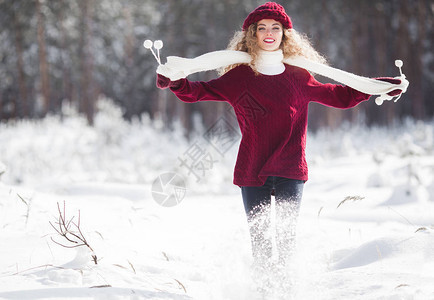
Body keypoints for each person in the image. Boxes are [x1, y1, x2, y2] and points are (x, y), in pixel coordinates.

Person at [153, 1, 405, 293]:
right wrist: (174, 81)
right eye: (262, 28)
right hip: (252, 170)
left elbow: (339, 95)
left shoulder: (299, 77)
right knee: (259, 241)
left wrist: (377, 87)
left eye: (276, 28)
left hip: (290, 169)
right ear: (252, 35)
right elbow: (197, 92)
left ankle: (286, 292)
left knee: (285, 241)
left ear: (285, 34)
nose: (269, 33)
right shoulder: (239, 77)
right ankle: (261, 292)